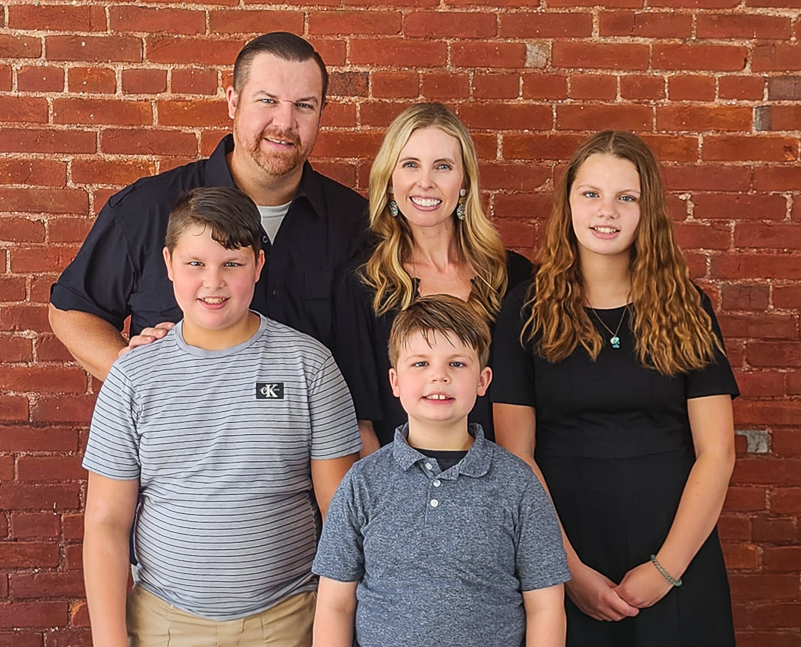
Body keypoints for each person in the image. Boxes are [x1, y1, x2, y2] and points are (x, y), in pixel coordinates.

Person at [82, 187, 361, 647]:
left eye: (231, 263)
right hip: (164, 623)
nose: (213, 282)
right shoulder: (133, 376)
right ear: (169, 263)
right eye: (196, 264)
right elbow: (106, 523)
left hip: (289, 619)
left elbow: (341, 519)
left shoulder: (309, 365)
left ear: (258, 266)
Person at [492, 131, 739, 646]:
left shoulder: (687, 307)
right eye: (591, 194)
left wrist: (666, 568)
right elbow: (517, 455)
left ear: (647, 210)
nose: (607, 211)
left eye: (626, 197)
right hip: (563, 543)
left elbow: (716, 453)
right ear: (568, 204)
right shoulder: (525, 310)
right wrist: (567, 570)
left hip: (675, 545)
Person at [49, 31, 368, 383]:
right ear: (233, 101)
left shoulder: (356, 225)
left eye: (304, 105)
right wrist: (136, 383)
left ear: (322, 111)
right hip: (175, 436)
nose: (284, 122)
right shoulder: (147, 208)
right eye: (267, 101)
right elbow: (73, 311)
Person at [313, 294, 570, 647]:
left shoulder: (517, 483)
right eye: (420, 364)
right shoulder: (363, 482)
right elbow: (335, 606)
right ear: (395, 381)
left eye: (457, 364)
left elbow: (545, 606)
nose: (439, 376)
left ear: (483, 381)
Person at [334, 102, 532, 447]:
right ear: (390, 181)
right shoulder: (366, 284)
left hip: (499, 483)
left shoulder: (511, 277)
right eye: (410, 165)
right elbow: (361, 423)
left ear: (464, 182)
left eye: (442, 166)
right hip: (402, 486)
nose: (425, 182)